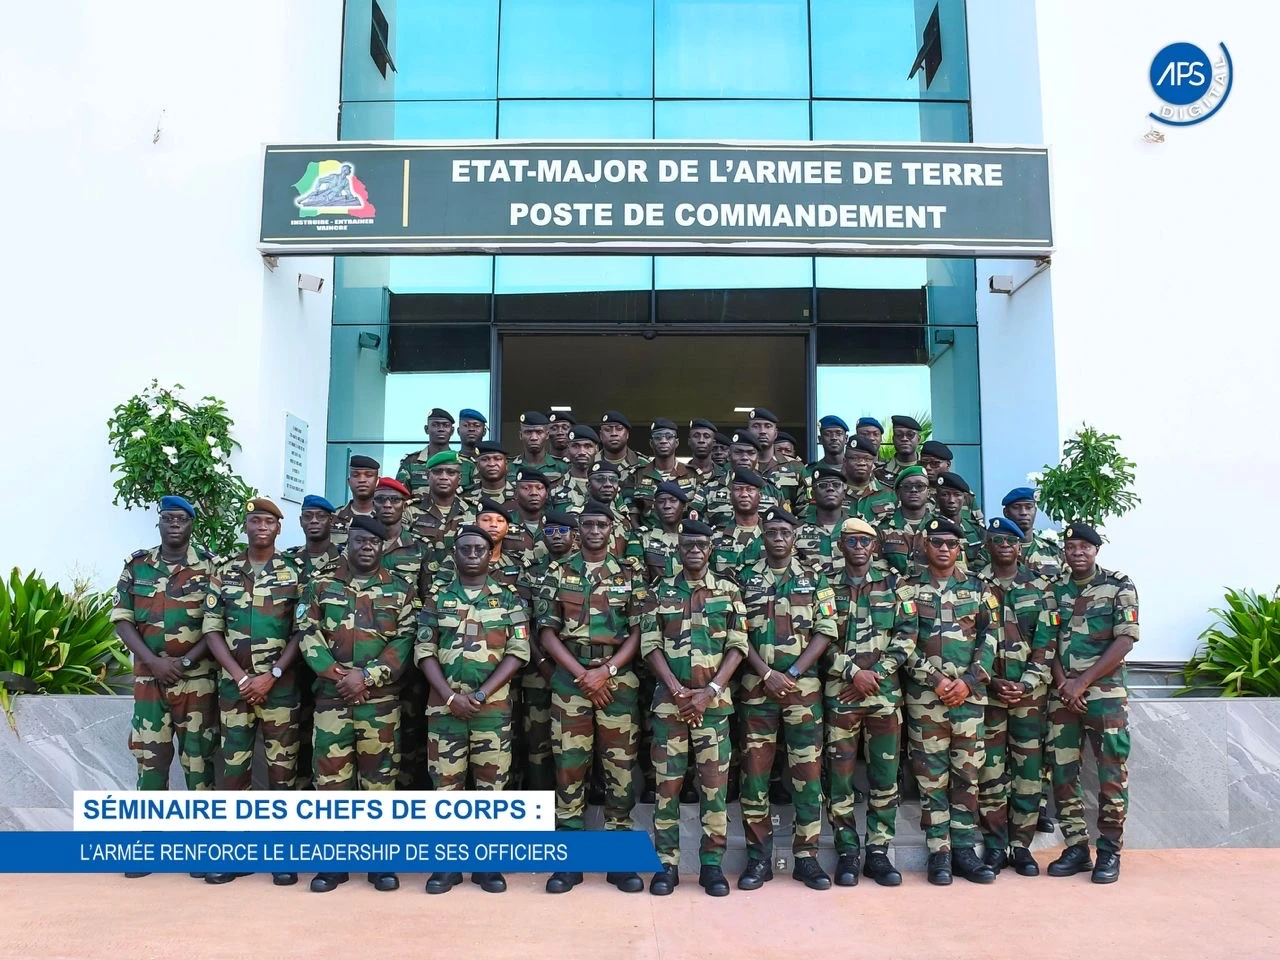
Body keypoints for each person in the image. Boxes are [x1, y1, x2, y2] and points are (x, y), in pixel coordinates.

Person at [298, 516, 415, 894]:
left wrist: (367, 677)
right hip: (332, 700)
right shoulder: (320, 585)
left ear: (382, 546)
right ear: (347, 541)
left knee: (379, 781)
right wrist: (338, 675)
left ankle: (380, 863)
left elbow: (404, 642)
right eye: (360, 540)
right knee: (331, 781)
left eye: (374, 542)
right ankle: (333, 863)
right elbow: (306, 634)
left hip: (380, 703)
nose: (367, 546)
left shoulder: (401, 590)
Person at [537, 500, 648, 895]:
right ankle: (570, 862)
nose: (595, 530)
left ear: (611, 528)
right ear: (578, 529)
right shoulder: (558, 572)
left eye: (602, 524)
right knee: (570, 768)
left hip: (616, 681)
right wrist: (583, 674)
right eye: (588, 524)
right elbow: (547, 632)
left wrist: (607, 671)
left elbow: (639, 632)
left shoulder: (630, 574)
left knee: (619, 770)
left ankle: (618, 860)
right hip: (572, 682)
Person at [417, 525, 530, 896]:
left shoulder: (509, 599)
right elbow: (424, 651)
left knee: (491, 788)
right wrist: (450, 696)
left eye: (478, 548)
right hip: (445, 709)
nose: (471, 554)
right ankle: (446, 866)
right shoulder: (436, 598)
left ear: (489, 553)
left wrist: (480, 695)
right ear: (454, 553)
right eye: (464, 548)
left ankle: (488, 865)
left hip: (491, 710)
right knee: (445, 786)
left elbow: (518, 652)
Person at [639, 519, 748, 897]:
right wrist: (677, 691)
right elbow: (649, 645)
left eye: (702, 544)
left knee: (713, 789)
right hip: (671, 708)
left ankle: (712, 866)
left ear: (711, 549)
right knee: (667, 788)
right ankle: (666, 865)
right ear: (678, 549)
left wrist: (709, 692)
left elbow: (738, 647)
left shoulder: (730, 591)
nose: (695, 551)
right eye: (688, 545)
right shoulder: (658, 591)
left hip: (714, 708)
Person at [111, 496, 217, 879]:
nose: (175, 524)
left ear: (191, 525)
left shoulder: (209, 566)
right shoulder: (138, 565)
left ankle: (203, 849)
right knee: (150, 764)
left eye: (182, 519)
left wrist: (185, 661)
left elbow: (216, 624)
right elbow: (122, 620)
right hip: (149, 683)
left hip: (197, 682)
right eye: (168, 518)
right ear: (159, 522)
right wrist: (153, 662)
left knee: (199, 763)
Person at [202, 497, 304, 886]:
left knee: (282, 772)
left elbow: (301, 632)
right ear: (246, 527)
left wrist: (272, 674)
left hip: (280, 688)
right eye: (255, 520)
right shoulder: (224, 572)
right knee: (233, 771)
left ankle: (283, 856)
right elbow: (212, 629)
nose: (262, 526)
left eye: (269, 521)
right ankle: (234, 855)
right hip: (234, 688)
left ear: (278, 529)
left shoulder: (293, 572)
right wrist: (241, 678)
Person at [736, 507, 836, 892]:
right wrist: (766, 673)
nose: (779, 538)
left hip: (802, 693)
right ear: (763, 534)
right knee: (755, 777)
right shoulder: (744, 579)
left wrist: (791, 674)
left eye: (785, 532)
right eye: (773, 531)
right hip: (757, 692)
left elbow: (825, 630)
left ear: (795, 537)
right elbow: (736, 633)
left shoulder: (815, 579)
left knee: (808, 776)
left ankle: (806, 859)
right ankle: (758, 858)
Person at [905, 517, 998, 886]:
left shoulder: (978, 588)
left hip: (969, 700)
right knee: (931, 778)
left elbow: (991, 639)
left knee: (967, 776)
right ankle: (938, 853)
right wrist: (937, 679)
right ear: (925, 545)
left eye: (951, 543)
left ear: (960, 548)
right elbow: (903, 641)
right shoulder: (908, 589)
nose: (944, 548)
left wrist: (970, 681)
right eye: (937, 542)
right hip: (926, 699)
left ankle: (963, 850)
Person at [825, 517, 917, 887]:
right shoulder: (825, 585)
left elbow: (908, 634)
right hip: (841, 695)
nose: (859, 547)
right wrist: (852, 674)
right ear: (841, 544)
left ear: (875, 546)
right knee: (841, 779)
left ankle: (879, 852)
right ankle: (847, 852)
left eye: (865, 541)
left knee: (883, 777)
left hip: (884, 696)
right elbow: (817, 636)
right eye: (852, 541)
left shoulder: (896, 585)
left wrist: (874, 674)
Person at [1046, 523, 1138, 885]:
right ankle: (1076, 847)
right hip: (1063, 694)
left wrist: (1081, 682)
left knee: (1110, 773)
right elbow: (1047, 641)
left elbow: (1126, 640)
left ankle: (1110, 851)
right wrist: (1063, 684)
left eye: (1085, 546)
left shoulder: (1118, 586)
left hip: (1106, 697)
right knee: (1063, 773)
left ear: (1096, 550)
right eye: (1071, 547)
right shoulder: (1054, 590)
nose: (1078, 552)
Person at [975, 517, 1058, 878]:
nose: (1004, 545)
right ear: (988, 545)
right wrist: (991, 681)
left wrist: (1025, 683)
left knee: (1028, 773)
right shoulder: (975, 585)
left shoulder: (1040, 587)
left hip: (1030, 696)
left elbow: (1047, 643)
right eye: (997, 540)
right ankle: (994, 846)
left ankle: (1020, 846)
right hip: (988, 695)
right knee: (989, 771)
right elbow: (968, 641)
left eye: (1010, 540)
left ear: (1020, 546)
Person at [373, 477, 431, 789]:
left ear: (404, 506)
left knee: (411, 728)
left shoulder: (419, 549)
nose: (386, 506)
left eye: (393, 501)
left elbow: (428, 599)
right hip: (365, 649)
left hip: (406, 652)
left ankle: (408, 794)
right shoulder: (359, 542)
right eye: (381, 500)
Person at [518, 509, 578, 791]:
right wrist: (542, 663)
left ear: (573, 536)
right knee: (538, 742)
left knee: (575, 743)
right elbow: (521, 623)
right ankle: (541, 802)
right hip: (537, 673)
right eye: (551, 531)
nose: (556, 536)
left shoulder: (584, 570)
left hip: (577, 672)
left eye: (562, 531)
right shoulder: (531, 573)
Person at [407, 450, 475, 577]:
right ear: (428, 476)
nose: (444, 477)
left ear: (459, 478)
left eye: (451, 472)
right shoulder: (410, 511)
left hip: (460, 587)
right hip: (420, 583)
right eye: (437, 472)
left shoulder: (474, 512)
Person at [630, 418, 697, 525]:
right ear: (651, 443)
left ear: (676, 442)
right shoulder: (638, 474)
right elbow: (632, 512)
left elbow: (697, 512)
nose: (663, 441)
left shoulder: (692, 474)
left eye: (669, 437)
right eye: (657, 437)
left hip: (680, 537)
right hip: (647, 537)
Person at [709, 467, 767, 583]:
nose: (744, 494)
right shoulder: (715, 537)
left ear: (759, 497)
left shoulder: (772, 535)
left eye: (750, 490)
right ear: (730, 497)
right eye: (738, 489)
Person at [879, 465, 935, 576]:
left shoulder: (941, 528)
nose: (914, 490)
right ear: (898, 494)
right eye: (907, 486)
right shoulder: (881, 528)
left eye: (920, 486)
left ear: (928, 493)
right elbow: (876, 565)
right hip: (892, 589)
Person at [795, 465, 848, 581]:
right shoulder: (795, 531)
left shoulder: (857, 528)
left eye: (836, 485)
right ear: (813, 495)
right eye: (823, 485)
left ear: (844, 493)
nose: (830, 489)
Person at [1002, 487, 1065, 580]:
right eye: (1016, 507)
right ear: (1006, 512)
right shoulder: (994, 551)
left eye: (1028, 507)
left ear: (1035, 511)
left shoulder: (1053, 552)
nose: (1023, 512)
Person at [397, 408, 463, 497]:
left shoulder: (463, 463)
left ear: (452, 431)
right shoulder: (411, 462)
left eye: (446, 425)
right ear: (426, 429)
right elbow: (399, 495)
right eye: (435, 425)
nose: (441, 429)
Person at [747, 407, 802, 507]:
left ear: (775, 433)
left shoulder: (795, 467)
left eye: (768, 426)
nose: (762, 431)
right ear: (748, 431)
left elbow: (805, 509)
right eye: (756, 426)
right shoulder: (735, 466)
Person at [933, 472, 986, 570]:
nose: (951, 500)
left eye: (957, 495)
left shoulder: (977, 531)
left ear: (964, 498)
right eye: (945, 494)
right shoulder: (929, 530)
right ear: (937, 498)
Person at [283, 494, 341, 580]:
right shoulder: (287, 560)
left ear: (331, 521)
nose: (314, 521)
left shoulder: (344, 559)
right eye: (307, 516)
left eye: (321, 516)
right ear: (301, 521)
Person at [503, 467, 550, 570]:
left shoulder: (554, 525)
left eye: (539, 488)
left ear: (546, 494)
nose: (533, 493)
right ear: (515, 494)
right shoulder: (503, 523)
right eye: (526, 488)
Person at [843, 436, 896, 524]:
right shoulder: (832, 493)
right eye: (855, 458)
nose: (861, 463)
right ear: (845, 461)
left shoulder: (889, 495)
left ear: (873, 463)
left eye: (867, 459)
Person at [332, 454, 380, 549]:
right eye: (356, 475)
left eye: (368, 475)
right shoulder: (332, 517)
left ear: (377, 481)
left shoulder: (386, 517)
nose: (362, 480)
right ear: (349, 481)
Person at [549, 425, 599, 513]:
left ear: (596, 449)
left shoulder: (607, 486)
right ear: (567, 449)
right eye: (576, 446)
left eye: (588, 446)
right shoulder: (553, 488)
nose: (582, 452)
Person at [508, 411, 568, 484]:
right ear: (520, 435)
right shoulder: (508, 467)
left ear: (547, 435)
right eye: (528, 432)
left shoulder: (562, 467)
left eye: (539, 432)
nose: (534, 437)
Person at [597, 410, 650, 488]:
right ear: (601, 435)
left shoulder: (643, 465)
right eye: (608, 430)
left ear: (627, 434)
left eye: (619, 429)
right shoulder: (590, 464)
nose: (614, 433)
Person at [875, 415, 923, 488]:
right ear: (893, 439)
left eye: (910, 435)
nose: (904, 439)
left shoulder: (928, 468)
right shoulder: (879, 471)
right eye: (899, 435)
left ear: (918, 439)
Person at [456, 408, 489, 494]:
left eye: (476, 425)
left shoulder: (493, 462)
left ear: (484, 431)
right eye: (466, 425)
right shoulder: (451, 462)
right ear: (458, 431)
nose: (471, 429)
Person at [473, 440, 514, 506]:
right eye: (485, 459)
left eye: (497, 459)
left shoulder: (520, 494)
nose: (492, 464)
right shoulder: (465, 496)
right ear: (478, 466)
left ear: (506, 465)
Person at [686, 418, 724, 484]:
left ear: (713, 443)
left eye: (706, 436)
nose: (701, 440)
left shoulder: (727, 476)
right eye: (696, 436)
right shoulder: (677, 475)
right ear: (689, 441)